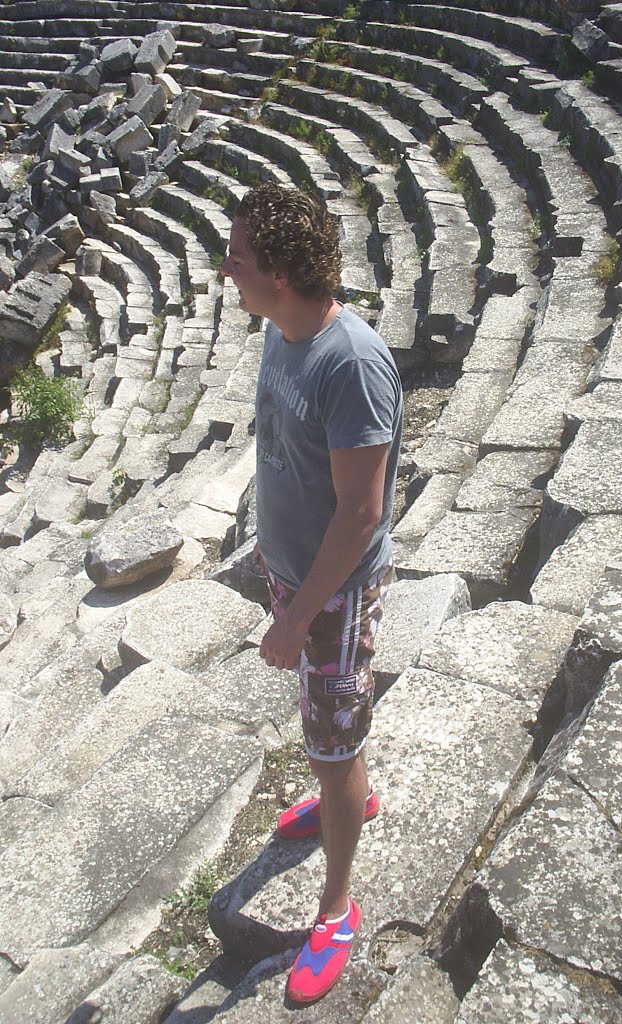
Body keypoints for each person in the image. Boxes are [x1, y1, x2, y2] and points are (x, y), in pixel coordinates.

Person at [221, 182, 403, 1005]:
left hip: (332, 597)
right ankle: (343, 788)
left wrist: (297, 618)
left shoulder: (352, 364)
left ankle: (336, 906)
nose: (228, 268)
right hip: (294, 578)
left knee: (333, 735)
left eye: (240, 257)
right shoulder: (280, 328)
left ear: (283, 277)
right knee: (328, 727)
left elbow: (362, 514)